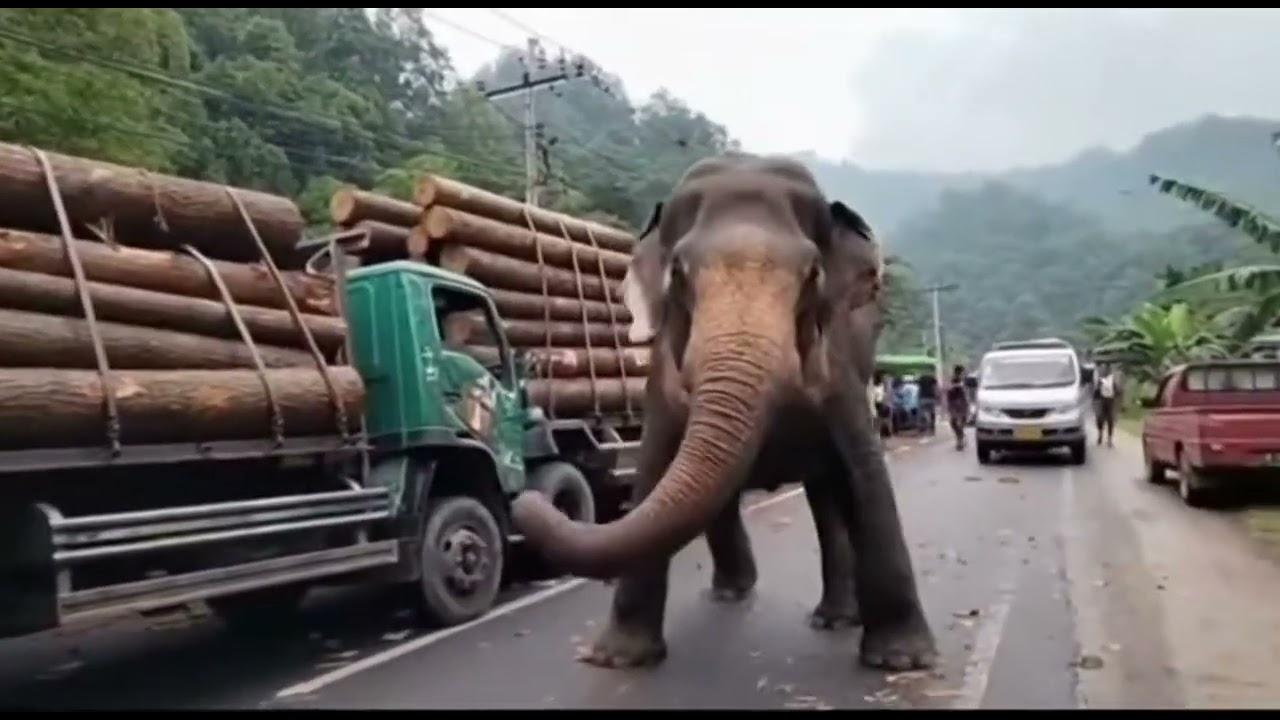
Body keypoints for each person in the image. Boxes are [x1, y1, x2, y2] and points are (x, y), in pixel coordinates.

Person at [1093, 363, 1121, 448]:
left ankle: (1109, 439)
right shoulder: (1100, 379)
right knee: (1100, 419)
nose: (1104, 370)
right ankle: (1100, 434)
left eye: (1106, 369)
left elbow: (1117, 390)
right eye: (1103, 369)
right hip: (1102, 400)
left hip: (1110, 400)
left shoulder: (1112, 378)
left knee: (1110, 420)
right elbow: (1096, 390)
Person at [945, 364, 970, 450]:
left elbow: (949, 391)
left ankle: (960, 439)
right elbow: (951, 391)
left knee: (956, 422)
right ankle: (960, 438)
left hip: (957, 403)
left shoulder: (961, 380)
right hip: (958, 403)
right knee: (956, 422)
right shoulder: (956, 380)